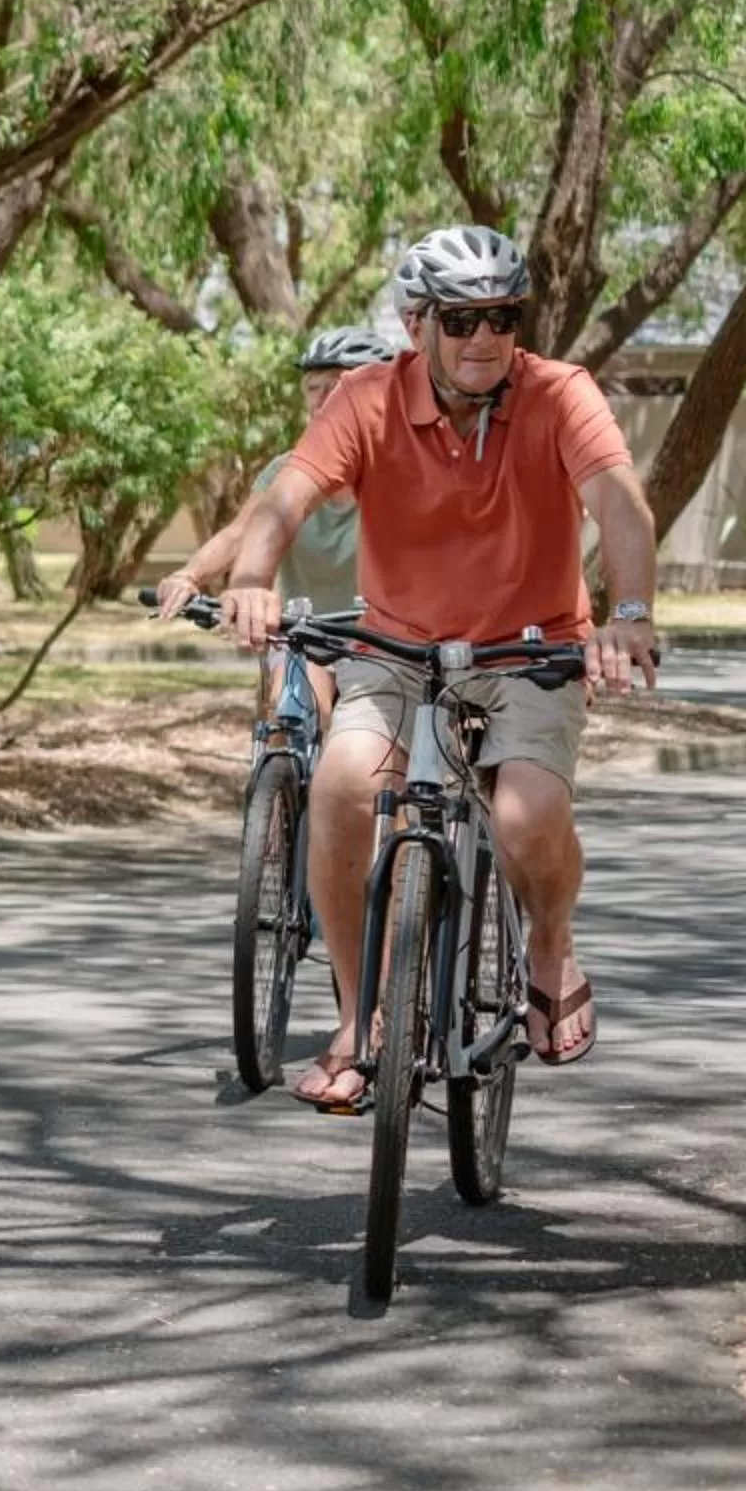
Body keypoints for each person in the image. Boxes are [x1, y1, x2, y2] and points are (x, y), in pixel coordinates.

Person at [222, 227, 657, 1107]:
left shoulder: (559, 393)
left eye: (502, 316)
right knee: (343, 785)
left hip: (528, 649)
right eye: (461, 320)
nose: (484, 338)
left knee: (527, 818)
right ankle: (357, 1018)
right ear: (417, 322)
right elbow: (287, 499)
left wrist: (631, 615)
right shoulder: (365, 398)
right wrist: (248, 579)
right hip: (397, 651)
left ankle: (549, 944)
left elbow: (618, 501)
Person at [156, 325, 403, 719]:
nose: (322, 400)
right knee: (291, 715)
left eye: (339, 385)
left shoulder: (409, 474)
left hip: (388, 646)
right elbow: (240, 534)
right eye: (313, 387)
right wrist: (189, 576)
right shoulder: (286, 472)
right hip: (304, 634)